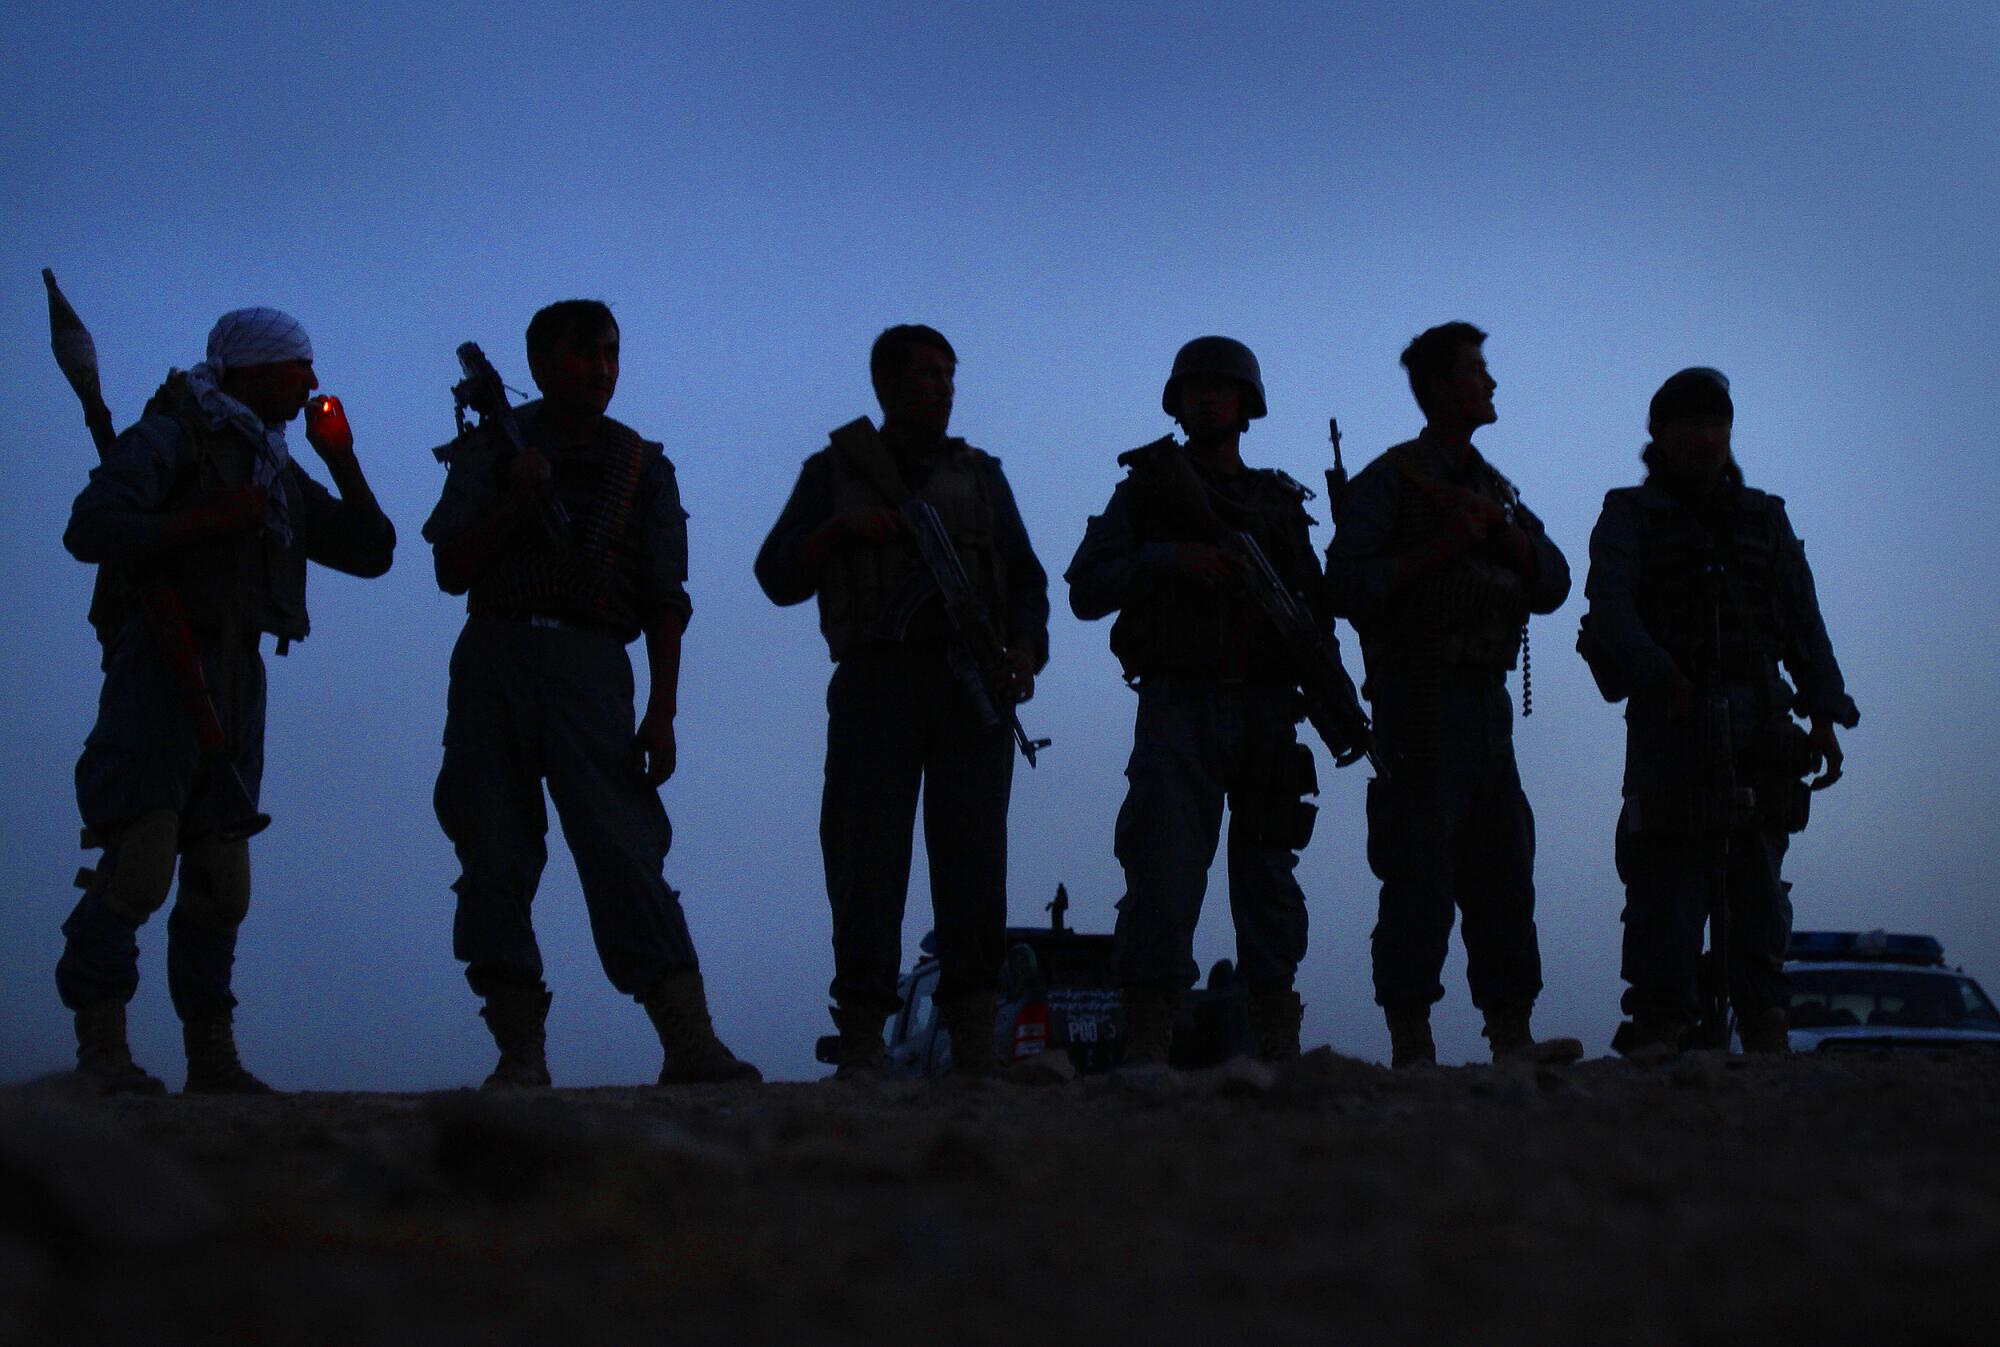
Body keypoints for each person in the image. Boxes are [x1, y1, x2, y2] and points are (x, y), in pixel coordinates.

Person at [59, 308, 396, 1094]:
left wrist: (341, 459)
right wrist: (210, 517)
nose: (312, 383)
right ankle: (102, 1048)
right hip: (161, 668)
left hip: (240, 676)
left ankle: (212, 1060)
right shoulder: (175, 436)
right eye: (295, 368)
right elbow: (91, 525)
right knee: (141, 861)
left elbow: (373, 551)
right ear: (248, 371)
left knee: (221, 877)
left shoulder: (275, 466)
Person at [424, 300, 757, 1088]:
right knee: (493, 852)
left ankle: (689, 1039)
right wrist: (513, 497)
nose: (600, 369)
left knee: (624, 851)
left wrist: (664, 710)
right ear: (540, 366)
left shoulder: (641, 465)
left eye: (610, 353)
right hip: (497, 656)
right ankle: (519, 1050)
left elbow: (665, 598)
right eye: (582, 355)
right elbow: (450, 568)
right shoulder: (493, 449)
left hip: (592, 666)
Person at [755, 324, 1048, 1078]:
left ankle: (975, 1041)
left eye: (950, 374)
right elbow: (776, 572)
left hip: (970, 688)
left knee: (974, 864)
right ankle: (861, 1042)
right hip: (877, 680)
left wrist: (1025, 652)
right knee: (866, 862)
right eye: (925, 374)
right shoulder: (835, 470)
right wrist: (838, 529)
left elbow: (1027, 582)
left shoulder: (982, 475)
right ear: (884, 385)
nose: (942, 387)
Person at [1067, 336, 1342, 1066]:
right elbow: (1087, 587)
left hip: (1267, 707)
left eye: (1221, 388)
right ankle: (1149, 1040)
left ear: (1247, 404)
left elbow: (1313, 616)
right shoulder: (1150, 490)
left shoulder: (1279, 502)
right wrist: (1167, 559)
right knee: (1162, 870)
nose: (1206, 399)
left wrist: (1331, 695)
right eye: (1194, 389)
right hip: (1180, 704)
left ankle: (1276, 1037)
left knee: (1270, 878)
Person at [1580, 367, 1856, 1056]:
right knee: (1666, 878)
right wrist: (1663, 678)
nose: (1707, 438)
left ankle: (1763, 1026)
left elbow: (1801, 620)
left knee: (1758, 879)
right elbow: (1610, 611)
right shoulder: (1630, 515)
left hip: (1760, 714)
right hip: (1671, 719)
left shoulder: (1763, 517)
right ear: (1661, 433)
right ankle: (1662, 1027)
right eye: (1692, 425)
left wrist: (1822, 713)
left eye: (1717, 424)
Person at [1324, 322, 1578, 1067]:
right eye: (1476, 370)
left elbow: (1554, 580)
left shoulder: (1493, 489)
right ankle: (1413, 1042)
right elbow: (1344, 584)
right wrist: (1440, 547)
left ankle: (1511, 1034)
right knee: (1420, 871)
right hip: (1420, 699)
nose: (1490, 383)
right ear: (1440, 388)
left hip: (1485, 703)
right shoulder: (1390, 482)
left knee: (1504, 867)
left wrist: (1504, 538)